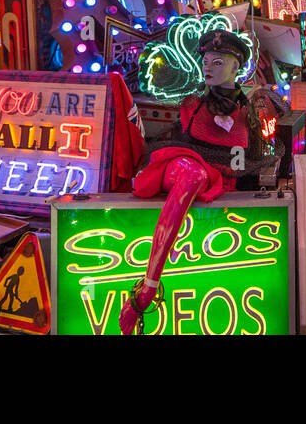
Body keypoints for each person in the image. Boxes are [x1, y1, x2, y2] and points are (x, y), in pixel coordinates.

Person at [118, 28, 281, 335]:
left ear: (237, 67)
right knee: (193, 174)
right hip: (185, 166)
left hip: (220, 184)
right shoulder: (192, 100)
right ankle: (148, 286)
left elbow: (255, 155)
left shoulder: (251, 109)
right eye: (206, 60)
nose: (208, 66)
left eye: (218, 62)